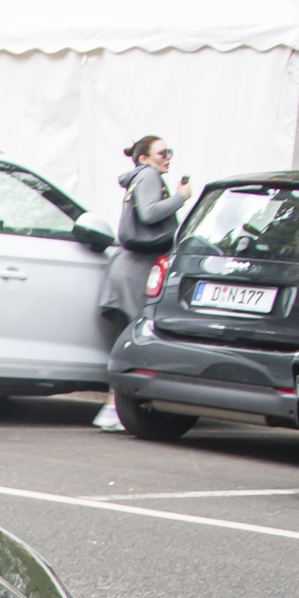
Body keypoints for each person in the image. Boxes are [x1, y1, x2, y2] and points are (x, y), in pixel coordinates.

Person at [93, 134, 190, 431]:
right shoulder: (148, 175)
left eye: (170, 152)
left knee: (127, 336)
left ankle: (113, 408)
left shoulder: (139, 177)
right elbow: (149, 214)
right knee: (134, 337)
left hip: (128, 265)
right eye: (162, 153)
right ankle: (114, 408)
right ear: (145, 158)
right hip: (136, 268)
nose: (168, 157)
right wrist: (181, 198)